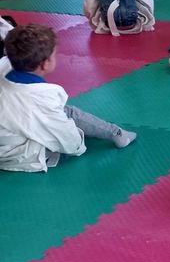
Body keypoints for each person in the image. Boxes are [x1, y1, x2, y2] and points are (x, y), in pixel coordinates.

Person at [0, 24, 136, 173]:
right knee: (69, 114)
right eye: (54, 55)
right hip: (19, 155)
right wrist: (78, 143)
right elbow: (69, 140)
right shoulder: (42, 99)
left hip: (5, 142)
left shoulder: (3, 68)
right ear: (45, 64)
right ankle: (116, 133)